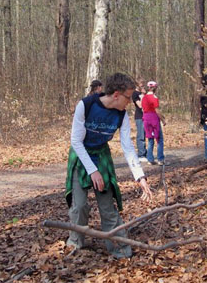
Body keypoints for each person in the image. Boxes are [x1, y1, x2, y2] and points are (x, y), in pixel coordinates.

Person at [65, 72, 153, 259]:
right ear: (115, 95)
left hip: (102, 157)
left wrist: (140, 176)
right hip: (81, 156)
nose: (130, 102)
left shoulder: (121, 115)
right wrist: (92, 171)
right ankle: (75, 243)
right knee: (79, 206)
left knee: (107, 207)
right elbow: (76, 142)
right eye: (128, 97)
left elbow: (128, 147)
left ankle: (119, 248)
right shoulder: (86, 105)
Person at [142, 81, 166, 166]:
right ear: (155, 88)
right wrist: (163, 119)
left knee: (150, 139)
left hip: (146, 119)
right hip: (154, 119)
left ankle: (150, 159)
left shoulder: (144, 97)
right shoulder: (154, 97)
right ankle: (160, 159)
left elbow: (143, 108)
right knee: (159, 139)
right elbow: (157, 111)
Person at [132, 79, 148, 162]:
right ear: (137, 84)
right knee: (141, 135)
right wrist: (142, 94)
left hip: (146, 116)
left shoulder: (143, 93)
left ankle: (145, 153)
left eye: (143, 83)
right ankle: (141, 155)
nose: (143, 85)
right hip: (139, 116)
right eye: (141, 83)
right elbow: (141, 105)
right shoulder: (135, 94)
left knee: (145, 135)